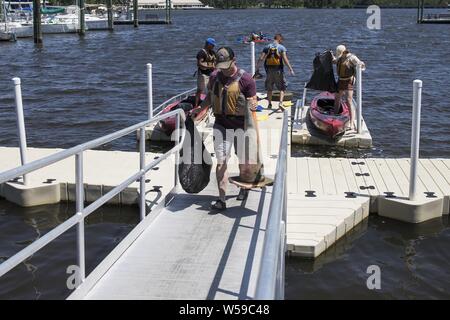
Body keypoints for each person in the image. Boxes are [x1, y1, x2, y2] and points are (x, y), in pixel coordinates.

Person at [192, 47, 258, 211]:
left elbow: (253, 100)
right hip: (221, 125)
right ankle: (221, 200)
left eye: (226, 65)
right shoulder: (214, 77)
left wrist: (254, 103)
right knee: (221, 162)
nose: (223, 69)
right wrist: (199, 109)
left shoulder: (246, 79)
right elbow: (210, 97)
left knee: (243, 162)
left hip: (241, 127)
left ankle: (244, 186)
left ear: (234, 60)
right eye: (220, 65)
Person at [254, 34, 294, 110]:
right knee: (282, 88)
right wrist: (290, 69)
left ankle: (269, 104)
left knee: (269, 88)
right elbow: (285, 59)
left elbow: (261, 58)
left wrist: (257, 68)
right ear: (280, 39)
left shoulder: (267, 47)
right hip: (278, 70)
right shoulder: (281, 47)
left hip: (269, 71)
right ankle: (280, 103)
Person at [332, 44, 366, 130]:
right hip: (340, 80)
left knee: (348, 100)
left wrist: (361, 64)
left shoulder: (352, 58)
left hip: (349, 80)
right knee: (337, 98)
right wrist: (329, 56)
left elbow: (361, 65)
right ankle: (335, 117)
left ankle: (351, 122)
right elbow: (335, 61)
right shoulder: (339, 58)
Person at [195, 38, 217, 107]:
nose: (213, 47)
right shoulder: (201, 53)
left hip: (211, 74)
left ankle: (210, 104)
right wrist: (209, 67)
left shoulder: (212, 52)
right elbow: (199, 63)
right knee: (200, 90)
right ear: (208, 44)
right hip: (203, 74)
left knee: (211, 89)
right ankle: (196, 105)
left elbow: (216, 61)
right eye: (212, 45)